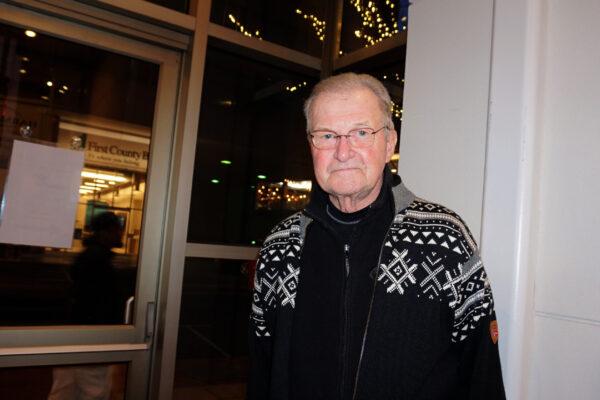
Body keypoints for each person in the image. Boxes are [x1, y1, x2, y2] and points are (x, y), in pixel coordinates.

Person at [246, 73, 505, 399]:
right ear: (310, 145)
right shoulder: (279, 246)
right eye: (326, 135)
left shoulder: (444, 239)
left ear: (389, 143)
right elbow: (261, 371)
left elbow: (482, 374)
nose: (343, 151)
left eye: (361, 133)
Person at [48, 211, 124, 400]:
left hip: (71, 333)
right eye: (116, 230)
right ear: (104, 232)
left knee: (64, 388)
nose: (120, 234)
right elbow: (102, 303)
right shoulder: (100, 262)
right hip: (92, 336)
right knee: (95, 389)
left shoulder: (87, 258)